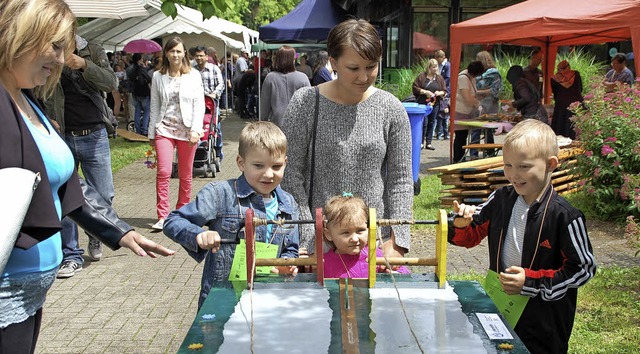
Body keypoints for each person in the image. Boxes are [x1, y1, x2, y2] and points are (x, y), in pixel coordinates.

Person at [0, 0, 175, 351]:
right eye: (55, 46)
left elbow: (64, 181)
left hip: (27, 295)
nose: (62, 59)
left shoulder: (26, 98)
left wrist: (119, 231)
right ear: (22, 34)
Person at [448, 119, 596, 354]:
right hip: (500, 306)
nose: (514, 175)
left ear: (551, 164)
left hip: (543, 321)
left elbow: (583, 268)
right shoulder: (500, 200)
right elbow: (469, 236)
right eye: (508, 165)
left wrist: (531, 282)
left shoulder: (565, 216)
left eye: (524, 166)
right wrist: (460, 224)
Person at [281, 19, 413, 260]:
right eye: (354, 68)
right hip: (318, 245)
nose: (364, 76)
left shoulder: (391, 108)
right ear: (333, 62)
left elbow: (401, 179)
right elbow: (289, 176)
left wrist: (398, 240)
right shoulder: (306, 103)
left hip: (374, 243)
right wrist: (307, 235)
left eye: (371, 66)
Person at [163, 122, 299, 308]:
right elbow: (172, 221)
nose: (268, 174)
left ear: (285, 163)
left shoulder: (289, 204)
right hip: (223, 300)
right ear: (241, 163)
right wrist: (199, 235)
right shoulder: (220, 194)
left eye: (276, 166)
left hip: (269, 300)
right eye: (258, 165)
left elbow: (291, 249)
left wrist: (286, 264)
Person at [43, 33, 119, 278]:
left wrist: (85, 65)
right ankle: (70, 254)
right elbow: (36, 89)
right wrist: (44, 118)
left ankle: (95, 235)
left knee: (104, 193)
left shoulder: (92, 49)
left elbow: (110, 83)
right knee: (64, 195)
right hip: (62, 135)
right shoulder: (46, 51)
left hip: (94, 133)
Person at [148, 36, 205, 231]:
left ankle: (182, 213)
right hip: (164, 129)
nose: (175, 54)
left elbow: (199, 104)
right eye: (172, 51)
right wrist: (151, 133)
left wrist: (197, 130)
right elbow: (154, 105)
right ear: (166, 53)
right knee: (163, 172)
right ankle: (163, 215)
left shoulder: (194, 75)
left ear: (184, 53)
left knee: (185, 175)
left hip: (187, 130)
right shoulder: (157, 76)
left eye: (179, 51)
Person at [323, 194, 410, 278]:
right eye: (346, 233)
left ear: (368, 229)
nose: (355, 238)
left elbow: (406, 274)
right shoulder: (324, 262)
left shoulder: (375, 255)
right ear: (328, 234)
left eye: (360, 230)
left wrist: (397, 274)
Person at [260, 46, 310, 127]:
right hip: (298, 126)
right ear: (292, 60)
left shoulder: (270, 77)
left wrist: (263, 123)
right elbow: (309, 104)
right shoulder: (303, 78)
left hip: (276, 127)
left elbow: (264, 106)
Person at [192, 45, 224, 160]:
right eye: (197, 56)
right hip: (196, 105)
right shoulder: (192, 70)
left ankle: (219, 151)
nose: (199, 58)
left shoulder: (214, 68)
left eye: (201, 56)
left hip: (212, 104)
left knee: (216, 128)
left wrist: (214, 94)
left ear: (206, 57)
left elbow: (221, 84)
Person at [412, 58, 447, 150]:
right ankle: (420, 142)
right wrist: (425, 92)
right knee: (424, 122)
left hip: (435, 104)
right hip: (423, 103)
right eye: (433, 67)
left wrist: (439, 93)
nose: (435, 69)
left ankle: (429, 142)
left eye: (436, 67)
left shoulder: (439, 78)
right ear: (429, 67)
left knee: (432, 122)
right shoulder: (422, 77)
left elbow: (444, 90)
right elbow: (415, 87)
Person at [453, 61, 484, 163]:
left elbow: (474, 93)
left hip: (468, 111)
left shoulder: (472, 78)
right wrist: (477, 104)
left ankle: (462, 158)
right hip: (460, 110)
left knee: (464, 135)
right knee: (460, 136)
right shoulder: (463, 77)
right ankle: (458, 159)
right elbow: (467, 97)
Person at [474, 50, 502, 156]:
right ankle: (474, 153)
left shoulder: (493, 73)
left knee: (487, 130)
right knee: (476, 129)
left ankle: (489, 153)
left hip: (489, 105)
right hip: (478, 104)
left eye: (478, 60)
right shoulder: (480, 73)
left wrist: (477, 92)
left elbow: (494, 90)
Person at [550, 60, 583, 139]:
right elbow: (580, 89)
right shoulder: (576, 74)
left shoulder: (554, 79)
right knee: (574, 126)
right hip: (576, 104)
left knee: (560, 126)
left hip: (561, 106)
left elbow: (556, 94)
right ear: (568, 66)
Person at [127, 53, 152, 136]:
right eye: (141, 59)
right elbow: (149, 79)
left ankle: (137, 130)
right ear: (139, 60)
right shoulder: (141, 69)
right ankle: (144, 130)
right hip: (144, 92)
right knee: (146, 111)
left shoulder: (130, 69)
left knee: (137, 111)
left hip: (135, 92)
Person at [434, 49, 451, 140]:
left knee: (444, 112)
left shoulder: (447, 65)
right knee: (439, 113)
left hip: (445, 91)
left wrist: (441, 86)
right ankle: (439, 132)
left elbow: (448, 78)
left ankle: (445, 132)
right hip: (439, 91)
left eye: (437, 58)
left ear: (442, 57)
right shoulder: (439, 66)